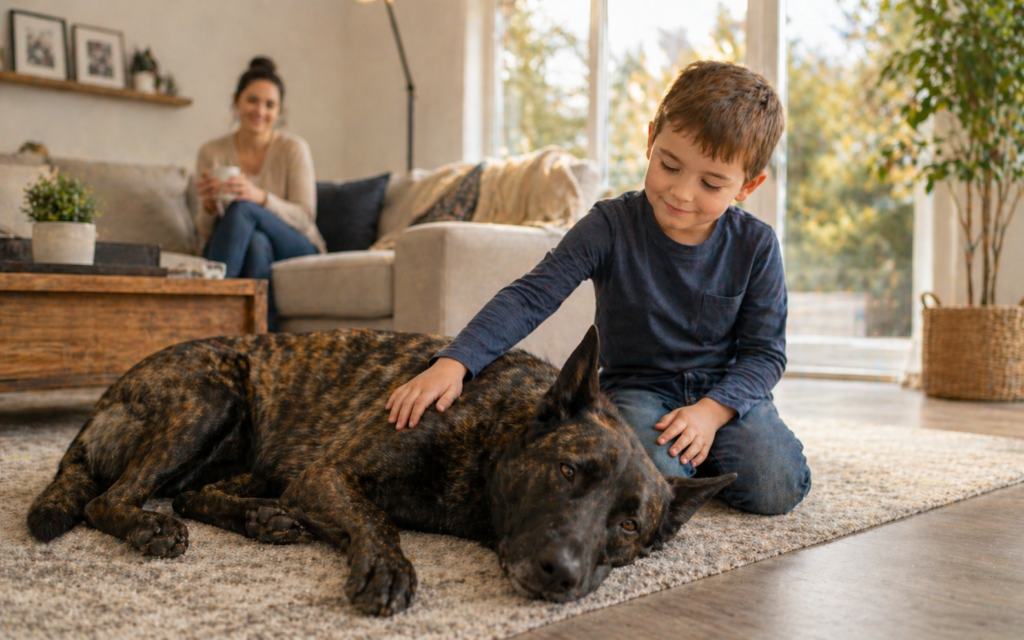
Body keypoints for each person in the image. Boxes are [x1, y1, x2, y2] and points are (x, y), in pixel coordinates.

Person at [386, 60, 811, 516]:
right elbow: (532, 295)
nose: (682, 193)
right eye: (669, 165)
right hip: (639, 387)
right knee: (645, 482)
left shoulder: (757, 244)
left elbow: (765, 355)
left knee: (776, 487)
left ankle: (704, 447)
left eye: (710, 183)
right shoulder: (609, 225)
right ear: (651, 140)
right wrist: (456, 361)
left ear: (747, 186)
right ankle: (691, 459)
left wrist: (711, 412)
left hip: (727, 394)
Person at [194, 57, 325, 331]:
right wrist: (207, 207)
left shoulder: (293, 149)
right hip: (238, 242)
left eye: (270, 105)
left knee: (243, 208)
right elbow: (205, 233)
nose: (260, 111)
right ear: (236, 101)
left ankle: (204, 316)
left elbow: (304, 218)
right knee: (255, 243)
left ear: (279, 111)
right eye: (252, 100)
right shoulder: (211, 152)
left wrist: (259, 197)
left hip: (296, 243)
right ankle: (262, 344)